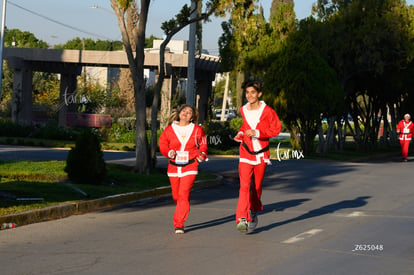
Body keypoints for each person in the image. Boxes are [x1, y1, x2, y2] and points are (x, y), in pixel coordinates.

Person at [233, 80, 281, 233]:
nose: (249, 95)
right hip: (246, 151)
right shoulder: (243, 110)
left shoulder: (268, 111)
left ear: (259, 94)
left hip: (261, 153)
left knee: (257, 187)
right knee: (244, 186)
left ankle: (253, 210)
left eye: (253, 92)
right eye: (247, 92)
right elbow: (245, 126)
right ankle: (242, 218)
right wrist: (241, 133)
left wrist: (258, 133)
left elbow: (276, 129)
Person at [158, 104, 208, 234]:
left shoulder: (197, 130)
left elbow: (203, 144)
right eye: (184, 110)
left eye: (189, 112)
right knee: (177, 196)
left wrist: (202, 155)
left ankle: (179, 223)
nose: (186, 113)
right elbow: (162, 144)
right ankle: (183, 205)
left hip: (191, 165)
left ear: (192, 117)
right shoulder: (170, 129)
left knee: (183, 193)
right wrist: (168, 152)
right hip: (174, 167)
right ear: (179, 113)